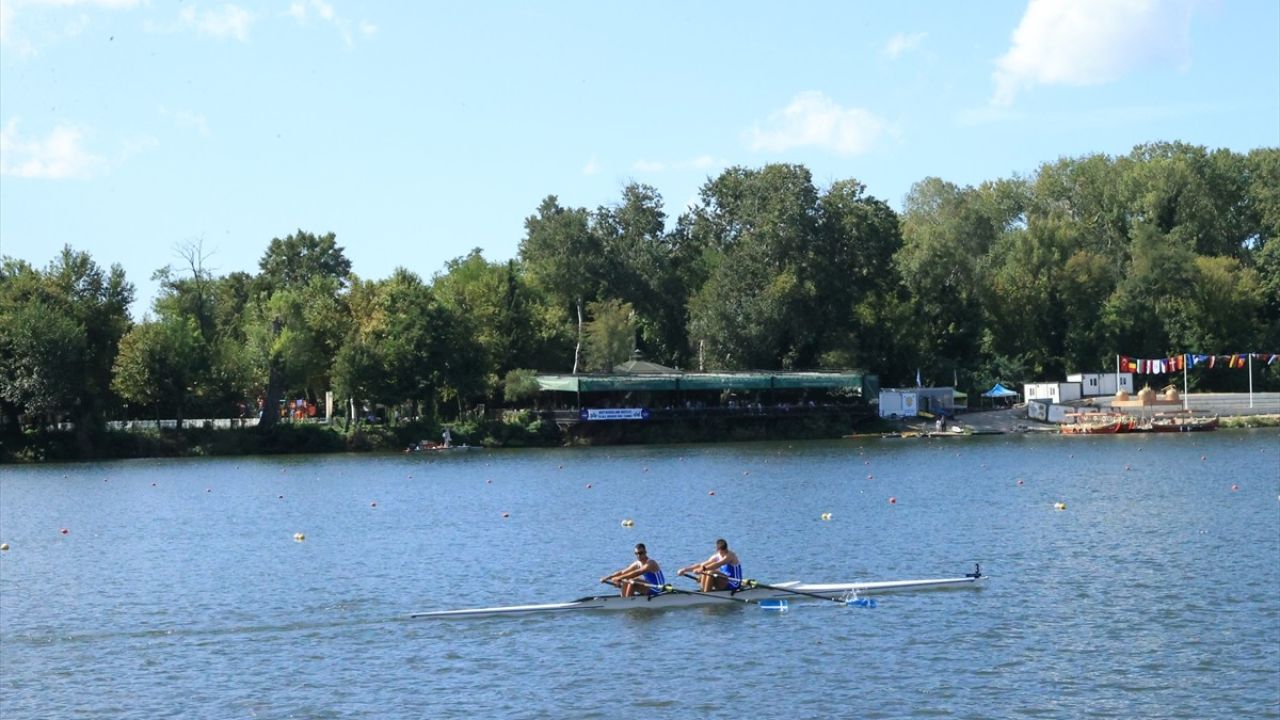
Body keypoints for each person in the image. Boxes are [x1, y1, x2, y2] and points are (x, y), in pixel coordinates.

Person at [600, 543, 665, 597]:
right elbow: (622, 572)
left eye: (640, 553)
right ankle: (624, 599)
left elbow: (638, 572)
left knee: (632, 580)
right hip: (649, 587)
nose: (638, 555)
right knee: (626, 580)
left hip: (657, 588)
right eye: (636, 553)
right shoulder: (637, 563)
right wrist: (607, 577)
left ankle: (628, 602)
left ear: (645, 552)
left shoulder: (651, 563)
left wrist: (619, 578)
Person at [677, 538, 742, 592]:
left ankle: (706, 594)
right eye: (722, 551)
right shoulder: (717, 555)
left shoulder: (730, 555)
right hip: (724, 581)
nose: (724, 553)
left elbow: (718, 564)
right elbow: (701, 565)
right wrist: (684, 570)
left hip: (734, 583)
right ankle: (704, 591)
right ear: (717, 549)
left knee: (710, 572)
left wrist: (702, 569)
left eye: (725, 550)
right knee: (705, 572)